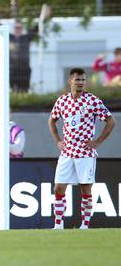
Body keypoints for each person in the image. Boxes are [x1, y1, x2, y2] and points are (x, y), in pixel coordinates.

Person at [48, 68, 116, 230]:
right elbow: (52, 120)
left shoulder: (93, 101)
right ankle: (58, 225)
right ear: (70, 81)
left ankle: (85, 225)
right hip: (67, 151)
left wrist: (98, 141)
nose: (81, 83)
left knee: (85, 188)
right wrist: (58, 140)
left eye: (83, 80)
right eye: (77, 80)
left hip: (85, 152)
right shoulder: (62, 101)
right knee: (58, 187)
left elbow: (111, 121)